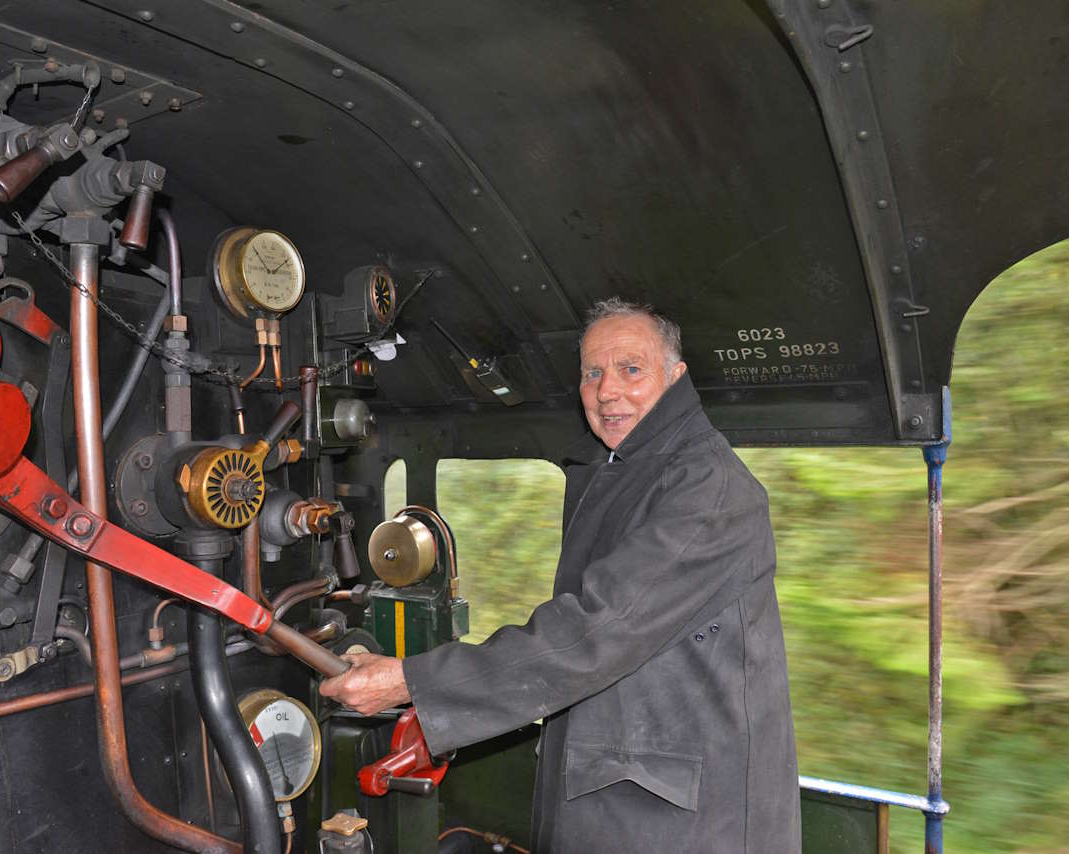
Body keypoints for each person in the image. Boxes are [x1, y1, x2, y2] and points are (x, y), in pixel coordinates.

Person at [320, 297, 801, 853]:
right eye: (592, 373)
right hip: (629, 793)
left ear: (676, 376)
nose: (606, 391)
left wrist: (411, 682)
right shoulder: (626, 469)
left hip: (681, 820)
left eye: (631, 369)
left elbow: (595, 632)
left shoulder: (706, 489)